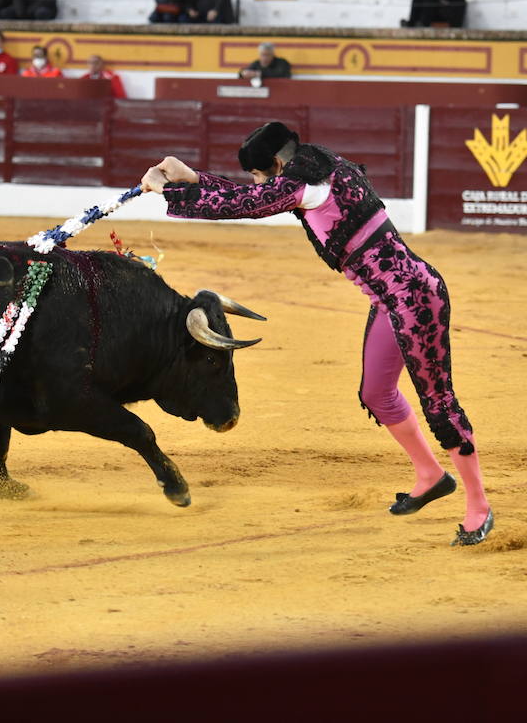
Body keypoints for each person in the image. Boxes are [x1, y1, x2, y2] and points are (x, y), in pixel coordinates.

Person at [140, 122, 494, 546]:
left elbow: (244, 204)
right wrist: (193, 178)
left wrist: (167, 189)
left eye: (258, 173)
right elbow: (251, 194)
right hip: (389, 299)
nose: (256, 182)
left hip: (416, 298)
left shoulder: (304, 185)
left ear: (275, 164)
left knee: (439, 403)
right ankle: (431, 476)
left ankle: (479, 508)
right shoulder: (324, 166)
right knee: (376, 394)